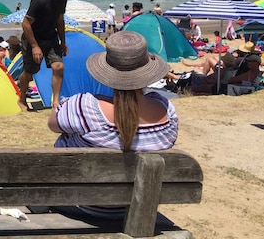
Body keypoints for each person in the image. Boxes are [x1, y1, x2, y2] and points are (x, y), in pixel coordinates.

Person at [48, 31, 177, 217]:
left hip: (82, 207)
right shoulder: (167, 112)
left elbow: (53, 124)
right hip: (138, 210)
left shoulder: (86, 108)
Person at [18, 0, 68, 110]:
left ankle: (56, 102)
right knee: (29, 73)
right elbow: (26, 23)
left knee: (58, 66)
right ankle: (22, 100)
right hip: (33, 39)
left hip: (51, 38)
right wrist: (35, 46)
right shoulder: (39, 0)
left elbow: (60, 20)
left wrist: (63, 42)